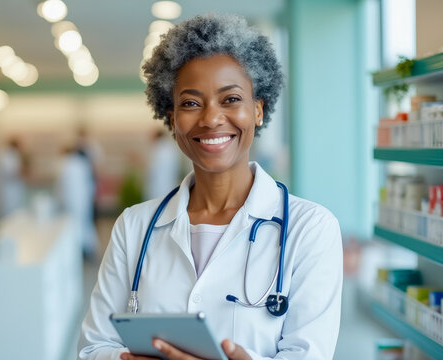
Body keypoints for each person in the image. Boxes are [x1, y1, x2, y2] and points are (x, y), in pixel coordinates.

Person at [79, 14, 342, 360]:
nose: (210, 118)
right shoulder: (134, 227)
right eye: (190, 103)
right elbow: (93, 348)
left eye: (231, 99)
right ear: (172, 119)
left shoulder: (310, 230)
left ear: (258, 110)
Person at [57, 146, 98, 257]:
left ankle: (81, 251)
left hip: (73, 202)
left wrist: (61, 201)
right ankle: (88, 249)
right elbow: (90, 182)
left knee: (76, 226)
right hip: (83, 200)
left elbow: (62, 186)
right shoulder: (83, 164)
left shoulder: (67, 164)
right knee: (85, 223)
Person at [144, 129, 181, 201]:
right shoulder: (171, 147)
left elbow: (152, 169)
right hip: (170, 185)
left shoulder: (158, 148)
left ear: (156, 136)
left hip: (158, 187)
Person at [0, 137, 27, 217]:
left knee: (16, 211)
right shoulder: (6, 156)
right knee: (10, 212)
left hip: (14, 189)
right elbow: (11, 172)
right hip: (9, 190)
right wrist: (23, 172)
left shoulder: (13, 155)